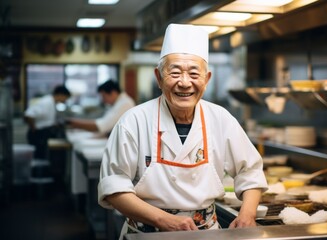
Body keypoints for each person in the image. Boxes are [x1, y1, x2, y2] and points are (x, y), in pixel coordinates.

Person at [97, 23, 268, 238]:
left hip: (206, 234)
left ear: (206, 80)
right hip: (146, 234)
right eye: (174, 72)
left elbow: (249, 171)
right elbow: (114, 187)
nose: (185, 83)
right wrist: (163, 219)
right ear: (159, 78)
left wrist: (247, 213)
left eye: (194, 74)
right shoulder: (133, 121)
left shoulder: (221, 118)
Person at [66, 80, 135, 135]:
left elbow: (102, 126)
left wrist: (73, 123)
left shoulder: (125, 104)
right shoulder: (119, 102)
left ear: (113, 93)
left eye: (104, 96)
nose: (103, 100)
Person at [24, 85, 71, 159]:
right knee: (38, 158)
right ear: (60, 95)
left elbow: (47, 120)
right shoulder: (46, 102)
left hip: (43, 134)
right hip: (38, 134)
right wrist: (34, 129)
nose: (65, 101)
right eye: (65, 98)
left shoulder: (52, 102)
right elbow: (29, 115)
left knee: (43, 158)